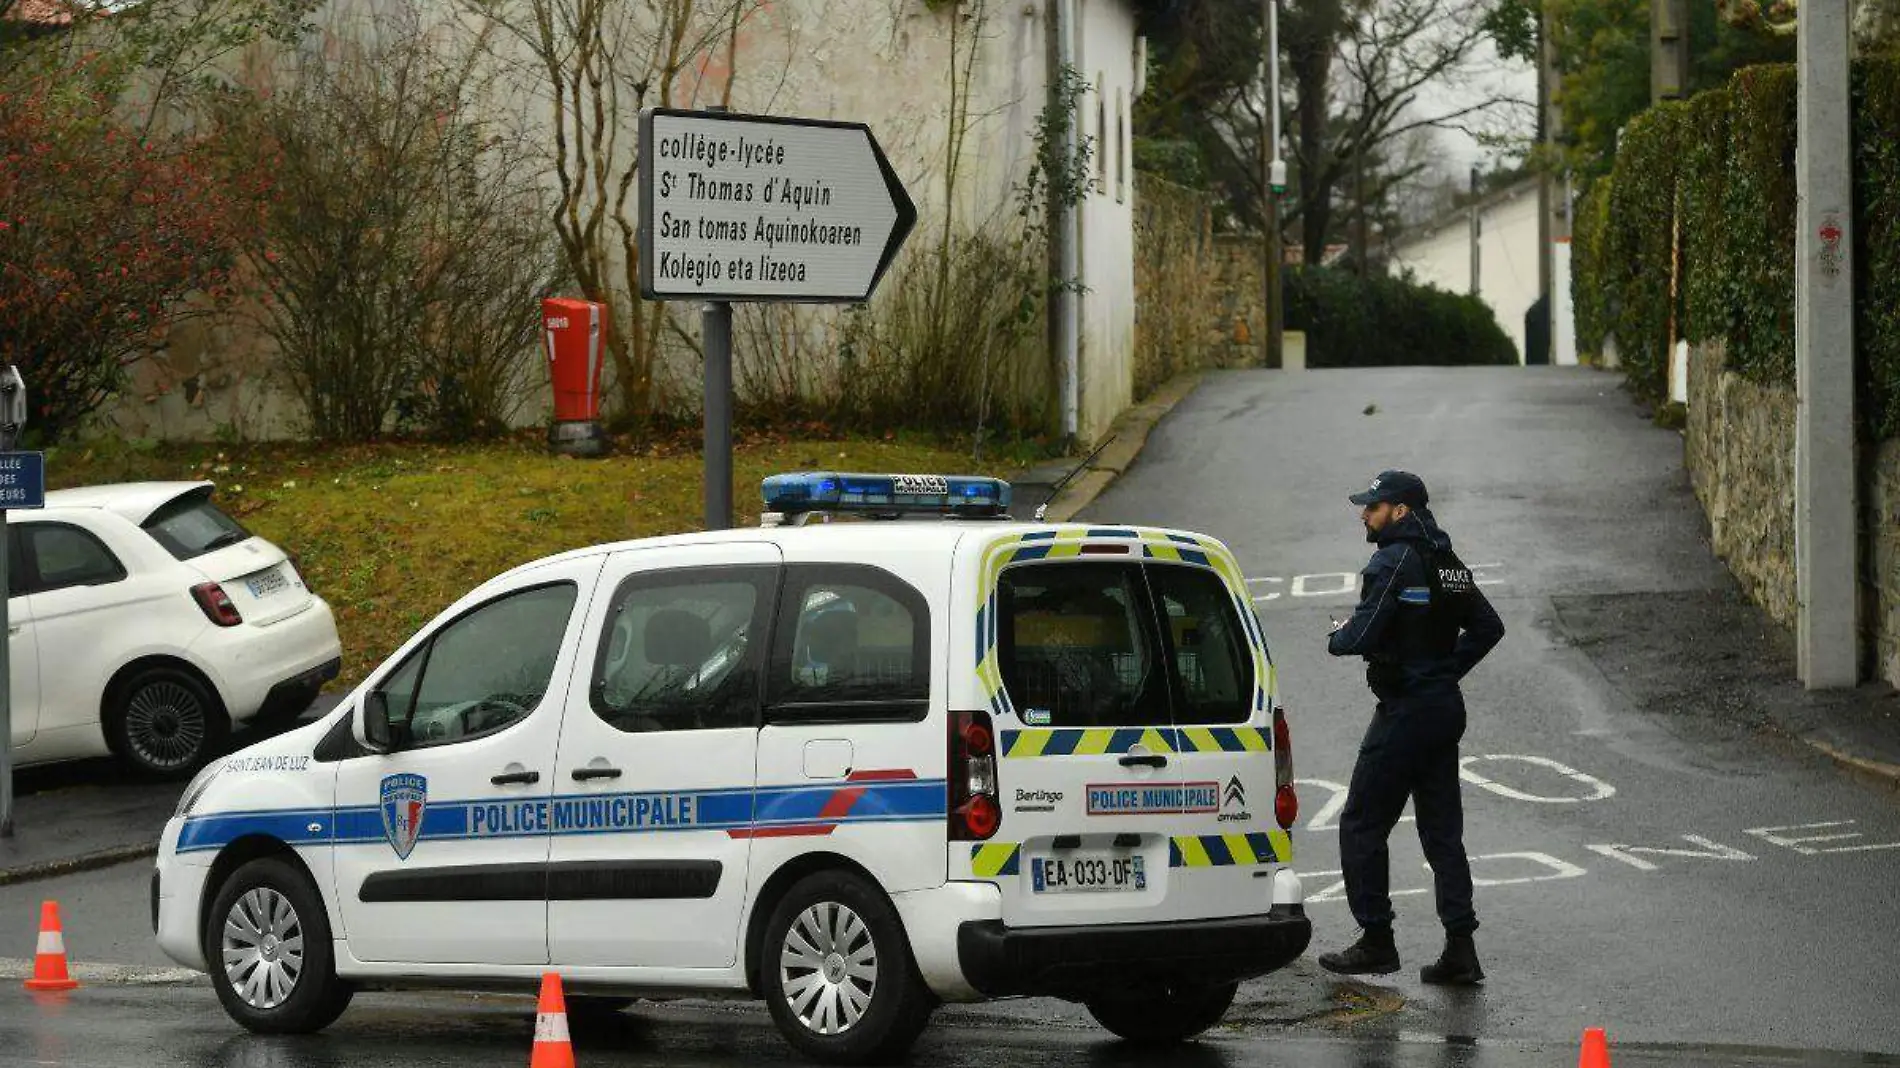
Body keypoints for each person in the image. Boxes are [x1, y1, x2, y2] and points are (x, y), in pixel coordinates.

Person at [1318, 470, 1505, 985]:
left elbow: (1363, 632)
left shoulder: (1390, 561)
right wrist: (1445, 670)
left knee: (1360, 823)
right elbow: (1489, 625)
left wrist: (1336, 637)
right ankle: (1461, 950)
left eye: (1373, 507)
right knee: (1443, 834)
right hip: (1443, 710)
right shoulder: (1447, 563)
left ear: (1400, 510)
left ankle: (1377, 940)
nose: (1365, 514)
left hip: (1405, 713)